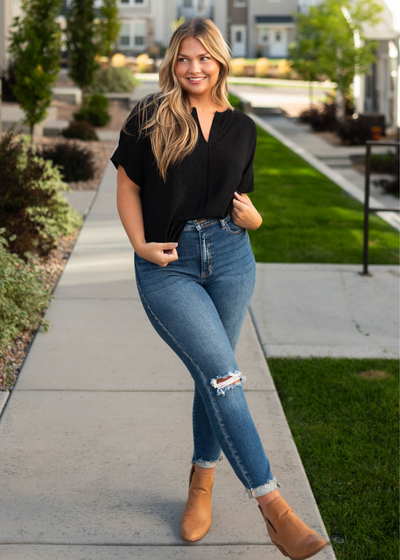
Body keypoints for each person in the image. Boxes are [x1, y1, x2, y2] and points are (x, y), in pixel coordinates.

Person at [110, 16, 330, 560]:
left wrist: (254, 222)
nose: (193, 68)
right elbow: (127, 185)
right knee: (225, 378)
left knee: (214, 376)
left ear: (220, 61)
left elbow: (242, 201)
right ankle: (275, 509)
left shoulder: (243, 127)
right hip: (171, 265)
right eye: (183, 58)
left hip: (233, 258)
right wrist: (139, 244)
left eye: (203, 57)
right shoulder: (151, 116)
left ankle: (200, 484)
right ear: (172, 61)